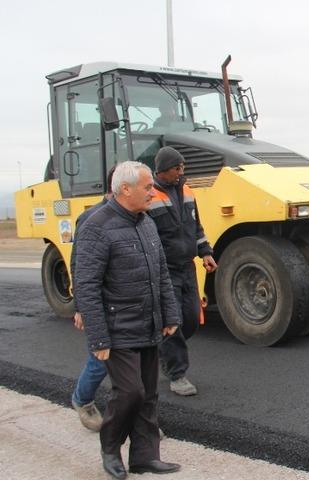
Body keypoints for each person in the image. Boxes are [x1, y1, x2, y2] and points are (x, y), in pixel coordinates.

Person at [74, 161, 182, 478]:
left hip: (148, 322)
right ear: (125, 189)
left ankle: (145, 457)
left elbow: (161, 272)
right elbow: (87, 285)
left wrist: (170, 313)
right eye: (148, 187)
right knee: (130, 392)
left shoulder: (146, 222)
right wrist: (98, 338)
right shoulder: (96, 225)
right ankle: (111, 450)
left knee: (148, 394)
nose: (153, 192)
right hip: (116, 327)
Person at [149, 146, 218, 396]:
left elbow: (196, 227)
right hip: (164, 270)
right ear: (162, 171)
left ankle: (163, 349)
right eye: (177, 168)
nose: (181, 171)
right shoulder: (149, 196)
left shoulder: (187, 191)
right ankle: (177, 374)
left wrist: (206, 252)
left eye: (182, 167)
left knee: (190, 320)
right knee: (173, 321)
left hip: (187, 266)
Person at [69, 166, 115, 431]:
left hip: (126, 303)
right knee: (99, 363)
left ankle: (137, 418)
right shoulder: (90, 218)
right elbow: (80, 267)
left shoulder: (137, 217)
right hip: (99, 304)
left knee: (132, 366)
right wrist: (81, 308)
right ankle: (82, 399)